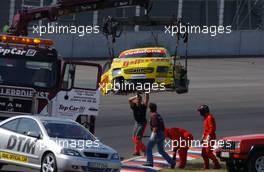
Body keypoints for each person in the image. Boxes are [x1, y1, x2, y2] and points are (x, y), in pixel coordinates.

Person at [143, 103, 175, 169]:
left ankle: (149, 162)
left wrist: (152, 136)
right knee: (161, 151)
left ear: (150, 109)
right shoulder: (158, 115)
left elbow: (155, 127)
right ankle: (172, 162)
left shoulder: (153, 116)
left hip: (157, 134)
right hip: (162, 134)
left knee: (148, 147)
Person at [197, 105, 221, 169]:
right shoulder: (206, 118)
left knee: (208, 152)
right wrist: (203, 137)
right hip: (206, 136)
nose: (200, 113)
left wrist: (209, 136)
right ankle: (206, 166)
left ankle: (217, 164)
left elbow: (212, 128)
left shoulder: (210, 117)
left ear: (205, 111)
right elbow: (206, 129)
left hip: (210, 137)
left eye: (201, 111)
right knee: (204, 153)